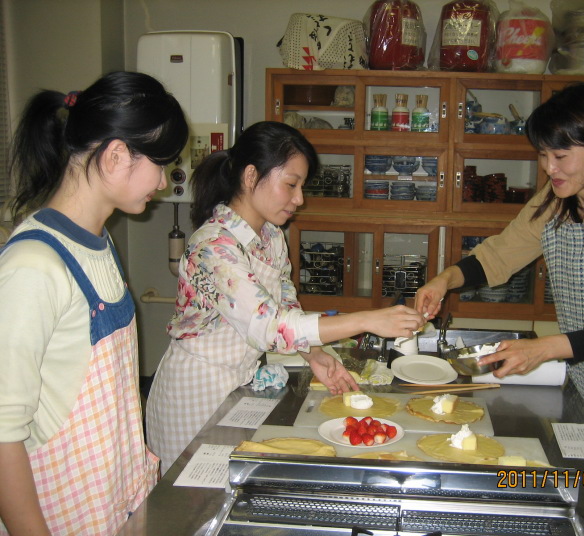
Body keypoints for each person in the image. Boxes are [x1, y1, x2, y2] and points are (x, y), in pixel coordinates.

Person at [415, 83, 584, 536]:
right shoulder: (555, 202)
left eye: (561, 156)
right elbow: (500, 254)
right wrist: (446, 279)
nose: (549, 168)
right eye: (544, 155)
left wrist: (543, 350)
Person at [146, 121, 425, 474]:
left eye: (301, 186)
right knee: (192, 494)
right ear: (251, 176)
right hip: (193, 393)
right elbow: (267, 326)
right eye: (291, 184)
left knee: (231, 482)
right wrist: (367, 320)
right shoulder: (213, 246)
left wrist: (313, 353)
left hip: (238, 384)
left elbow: (284, 303)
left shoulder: (271, 237)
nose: (299, 199)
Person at [0, 72, 188, 535]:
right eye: (161, 164)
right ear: (116, 155)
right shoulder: (33, 265)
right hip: (60, 516)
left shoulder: (100, 244)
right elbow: (2, 436)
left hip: (112, 500)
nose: (162, 181)